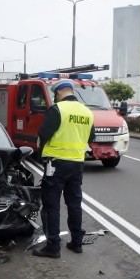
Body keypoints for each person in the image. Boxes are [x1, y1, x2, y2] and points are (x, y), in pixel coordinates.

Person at [33, 79, 95, 259]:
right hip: (77, 163)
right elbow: (91, 136)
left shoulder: (58, 109)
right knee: (74, 203)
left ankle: (53, 247)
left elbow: (43, 134)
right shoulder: (87, 112)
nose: (55, 98)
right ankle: (76, 243)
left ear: (59, 93)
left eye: (55, 95)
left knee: (51, 205)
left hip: (56, 164)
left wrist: (41, 154)